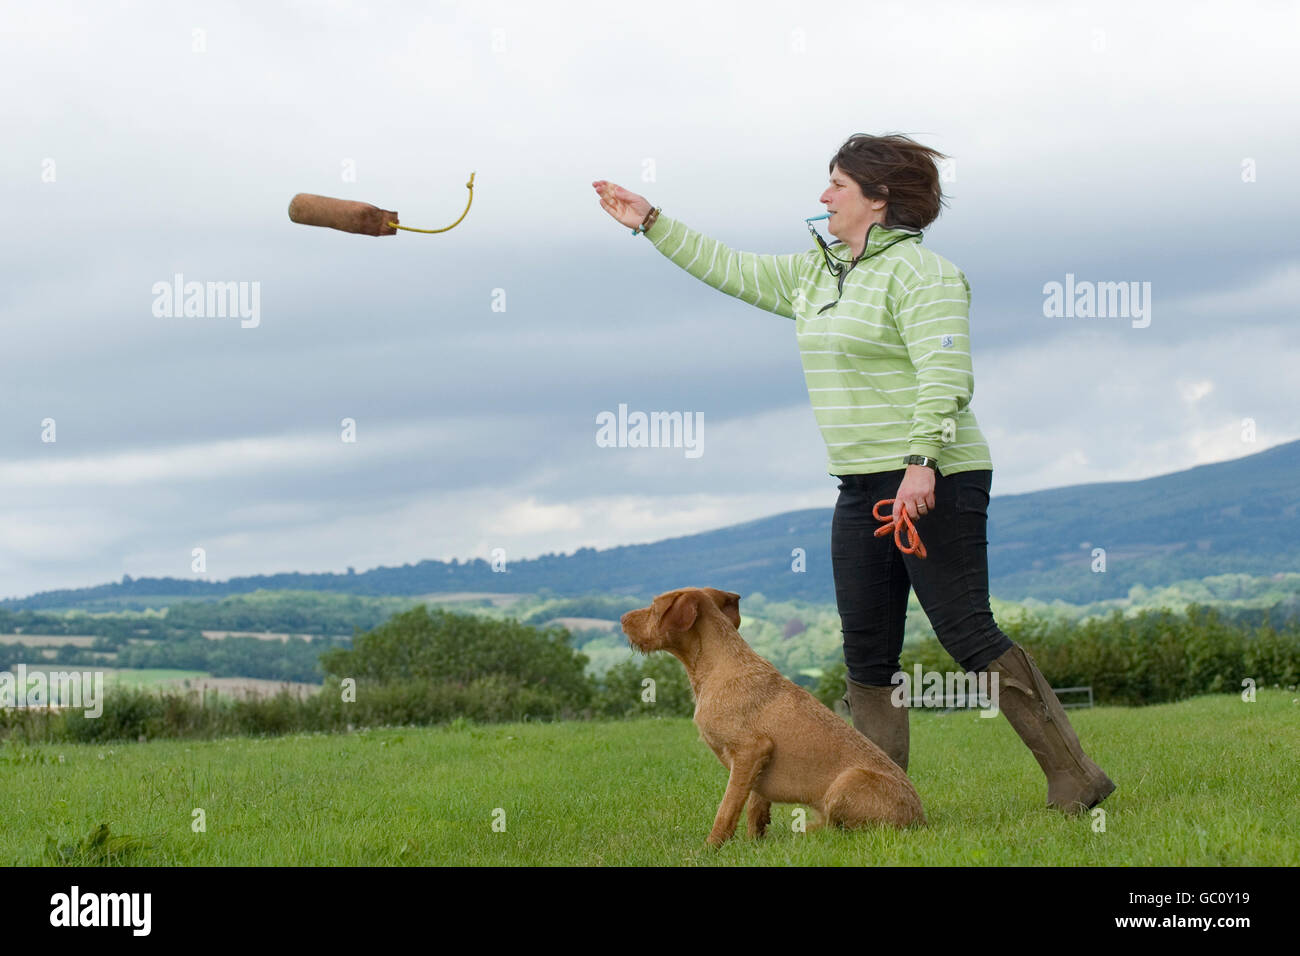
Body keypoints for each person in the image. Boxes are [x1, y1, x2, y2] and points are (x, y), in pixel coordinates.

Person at [592, 133, 1115, 814]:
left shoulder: (925, 276)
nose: (823, 196)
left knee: (968, 634)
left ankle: (1076, 777)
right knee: (867, 649)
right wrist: (653, 222)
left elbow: (946, 374)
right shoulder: (819, 273)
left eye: (837, 184)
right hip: (861, 486)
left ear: (879, 198)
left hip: (935, 478)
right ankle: (884, 803)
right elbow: (732, 268)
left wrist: (921, 462)